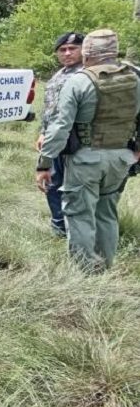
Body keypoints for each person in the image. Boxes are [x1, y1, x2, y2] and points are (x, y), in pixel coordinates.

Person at [36, 29, 140, 273]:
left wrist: (44, 164)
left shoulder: (80, 81)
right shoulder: (134, 78)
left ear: (87, 51)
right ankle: (105, 266)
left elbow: (60, 127)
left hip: (86, 159)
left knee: (80, 214)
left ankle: (85, 272)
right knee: (107, 213)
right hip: (121, 158)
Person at [36, 32, 85, 237]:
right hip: (55, 141)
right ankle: (59, 227)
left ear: (83, 50)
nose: (67, 53)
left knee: (76, 189)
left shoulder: (86, 75)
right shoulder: (58, 75)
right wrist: (42, 132)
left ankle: (77, 231)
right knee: (53, 183)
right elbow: (49, 108)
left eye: (72, 49)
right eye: (62, 50)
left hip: (78, 142)